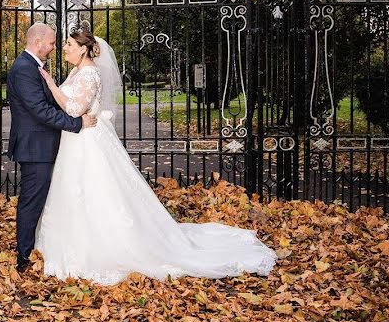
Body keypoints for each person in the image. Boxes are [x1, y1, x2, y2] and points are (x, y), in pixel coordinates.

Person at [35, 28, 277, 285]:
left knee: (95, 189)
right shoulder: (77, 72)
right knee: (76, 189)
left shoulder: (90, 73)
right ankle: (73, 241)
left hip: (87, 140)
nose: (65, 48)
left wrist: (50, 84)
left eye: (69, 44)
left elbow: (74, 108)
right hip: (76, 140)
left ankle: (105, 247)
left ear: (83, 48)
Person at [6, 23, 97, 272]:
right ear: (38, 43)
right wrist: (76, 123)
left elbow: (53, 104)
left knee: (40, 200)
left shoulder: (32, 66)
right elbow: (40, 110)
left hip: (44, 145)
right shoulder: (24, 68)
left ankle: (37, 249)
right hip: (35, 148)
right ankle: (24, 258)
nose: (54, 47)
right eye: (51, 42)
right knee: (31, 202)